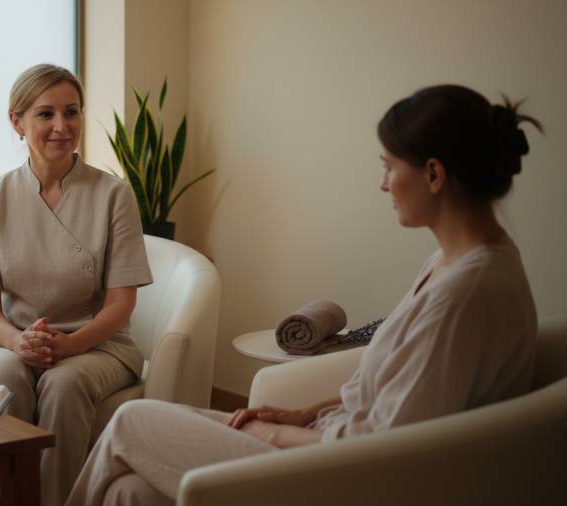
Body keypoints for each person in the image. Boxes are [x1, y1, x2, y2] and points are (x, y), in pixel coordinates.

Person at [65, 84, 541, 506]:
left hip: (347, 477)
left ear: (434, 174)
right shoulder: (454, 262)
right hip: (330, 442)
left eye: (389, 167)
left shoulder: (463, 296)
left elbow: (385, 445)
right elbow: (394, 390)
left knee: (131, 421)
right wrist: (301, 413)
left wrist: (273, 432)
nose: (383, 183)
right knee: (129, 492)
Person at [0, 63, 153, 506]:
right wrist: (18, 341)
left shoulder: (114, 195)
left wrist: (71, 345)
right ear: (17, 122)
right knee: (6, 375)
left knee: (64, 384)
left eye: (72, 112)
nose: (61, 127)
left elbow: (121, 303)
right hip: (9, 341)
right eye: (45, 114)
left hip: (97, 344)